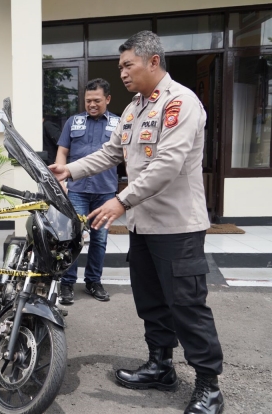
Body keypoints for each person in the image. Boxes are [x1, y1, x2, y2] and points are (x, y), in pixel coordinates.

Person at [49, 31, 224, 414]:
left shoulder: (181, 103)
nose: (123, 73)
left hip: (178, 227)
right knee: (152, 302)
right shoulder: (134, 109)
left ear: (153, 61)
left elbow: (168, 165)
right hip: (144, 226)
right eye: (121, 67)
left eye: (128, 65)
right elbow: (109, 153)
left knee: (187, 306)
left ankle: (209, 386)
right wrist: (68, 172)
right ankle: (161, 366)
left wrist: (120, 200)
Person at [55, 78, 120, 305]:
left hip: (105, 191)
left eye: (97, 100)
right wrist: (61, 181)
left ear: (108, 99)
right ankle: (67, 284)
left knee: (99, 239)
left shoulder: (119, 124)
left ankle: (93, 281)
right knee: (72, 238)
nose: (92, 104)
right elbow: (63, 151)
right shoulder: (73, 122)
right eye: (88, 100)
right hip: (78, 190)